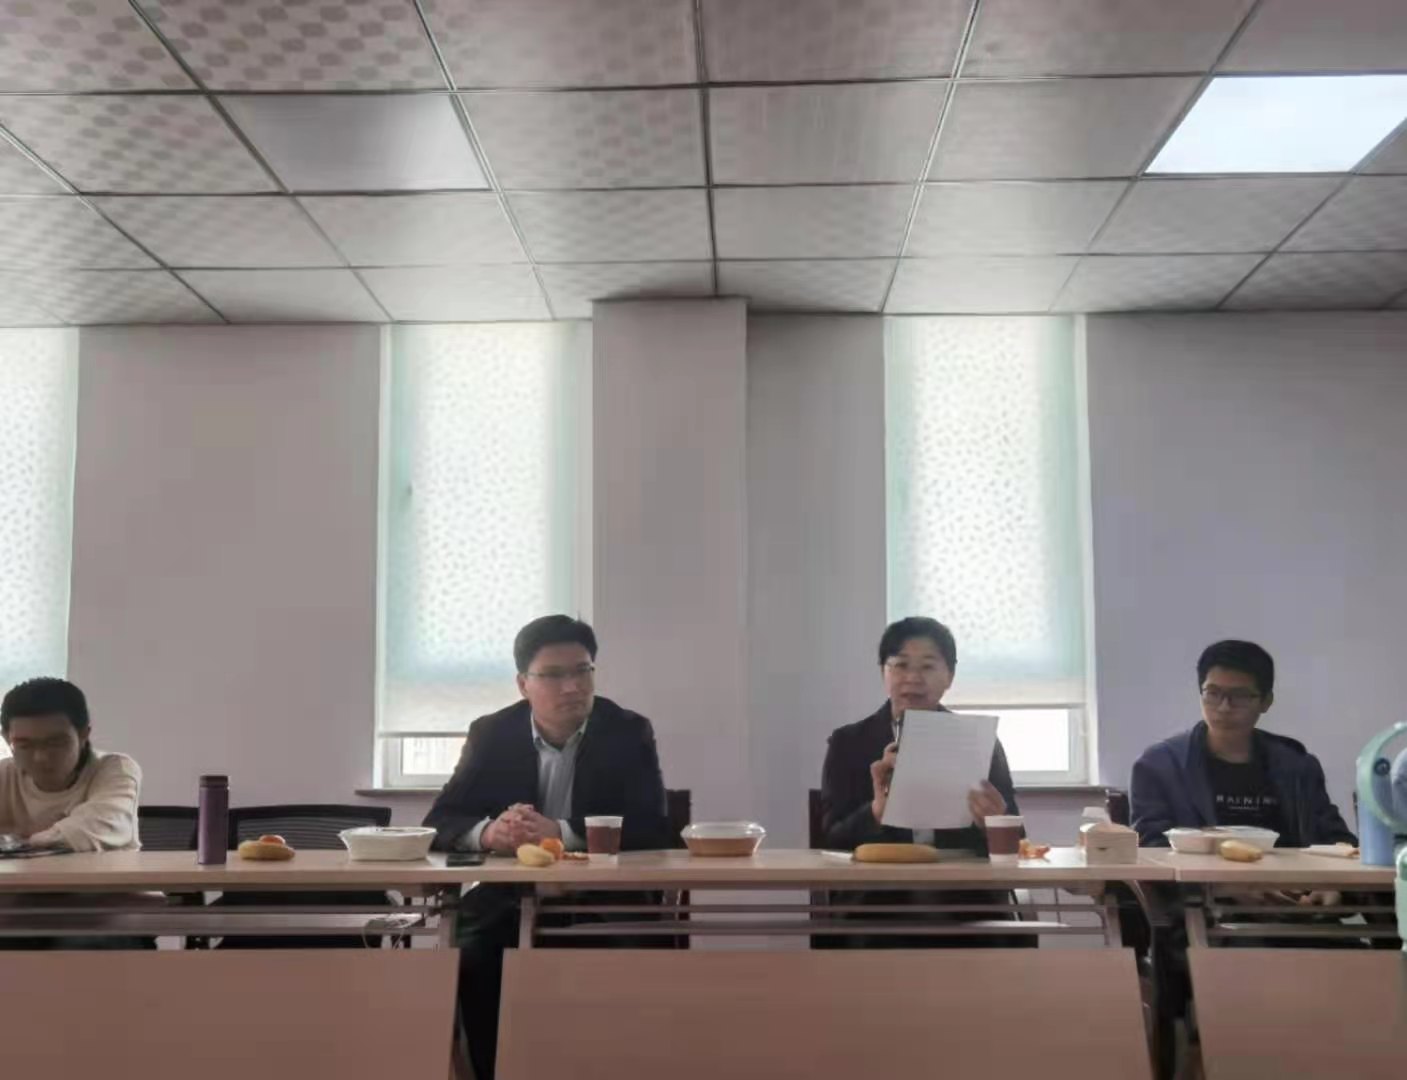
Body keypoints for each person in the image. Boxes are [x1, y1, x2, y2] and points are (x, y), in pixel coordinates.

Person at [424, 615, 669, 1080]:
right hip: (507, 898)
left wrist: (560, 831)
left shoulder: (627, 730)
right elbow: (440, 821)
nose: (573, 686)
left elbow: (654, 828)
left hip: (606, 898)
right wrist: (489, 834)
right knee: (477, 956)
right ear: (523, 684)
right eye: (554, 675)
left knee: (622, 961)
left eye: (583, 671)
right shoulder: (491, 733)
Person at [818, 616, 1024, 947]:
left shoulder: (979, 741)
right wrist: (876, 812)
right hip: (877, 901)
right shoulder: (849, 743)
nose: (913, 678)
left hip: (965, 898)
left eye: (928, 666)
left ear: (950, 676)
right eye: (901, 665)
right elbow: (829, 841)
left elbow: (1017, 842)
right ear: (883, 672)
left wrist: (994, 823)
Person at [1131, 640, 1355, 850]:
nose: (1224, 707)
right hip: (1202, 880)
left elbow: (1338, 843)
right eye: (1213, 693)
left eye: (1240, 696)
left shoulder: (1297, 766)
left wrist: (1334, 878)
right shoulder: (1160, 767)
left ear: (1266, 701)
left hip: (1290, 879)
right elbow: (1152, 849)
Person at [0, 677, 141, 853]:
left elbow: (98, 826)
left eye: (55, 743)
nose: (40, 757)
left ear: (83, 734)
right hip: (22, 872)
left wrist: (18, 843)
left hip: (100, 871)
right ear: (6, 738)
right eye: (24, 745)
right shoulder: (4, 775)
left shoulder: (114, 769)